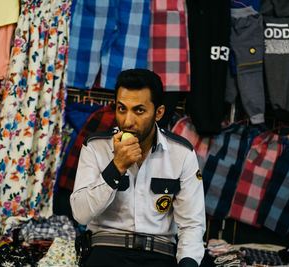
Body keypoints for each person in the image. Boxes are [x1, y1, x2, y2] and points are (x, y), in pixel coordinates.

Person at [70, 69, 206, 267]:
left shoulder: (182, 153)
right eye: (122, 108)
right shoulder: (95, 147)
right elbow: (81, 214)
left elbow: (192, 224)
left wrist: (188, 263)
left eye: (139, 110)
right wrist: (116, 167)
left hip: (159, 253)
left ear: (158, 113)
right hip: (106, 249)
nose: (127, 121)